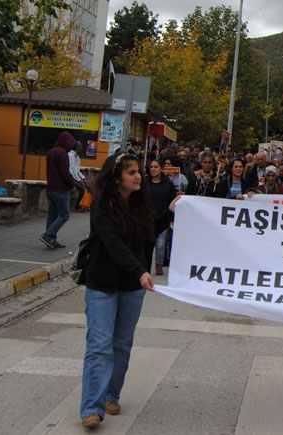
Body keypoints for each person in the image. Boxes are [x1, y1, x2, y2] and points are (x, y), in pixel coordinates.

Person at [80, 153, 159, 429]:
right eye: (131, 172)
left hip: (131, 288)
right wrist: (140, 271)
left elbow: (150, 234)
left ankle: (112, 395)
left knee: (121, 345)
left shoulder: (140, 203)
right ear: (116, 178)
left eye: (139, 171)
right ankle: (91, 407)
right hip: (102, 283)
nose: (138, 176)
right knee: (99, 346)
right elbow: (113, 244)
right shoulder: (101, 205)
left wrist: (172, 211)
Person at [39, 132, 77, 250]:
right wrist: (71, 185)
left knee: (52, 215)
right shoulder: (62, 153)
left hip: (50, 188)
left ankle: (52, 240)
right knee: (64, 215)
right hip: (60, 189)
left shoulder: (51, 152)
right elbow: (65, 172)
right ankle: (48, 235)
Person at [146, 160, 176, 275]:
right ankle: (146, 265)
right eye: (151, 167)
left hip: (162, 218)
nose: (153, 169)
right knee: (148, 244)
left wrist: (170, 217)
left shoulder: (168, 184)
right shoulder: (145, 183)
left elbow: (172, 202)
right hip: (147, 218)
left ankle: (159, 264)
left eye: (156, 167)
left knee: (160, 243)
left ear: (161, 168)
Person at [69, 140, 88, 212]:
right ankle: (77, 206)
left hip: (75, 177)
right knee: (81, 188)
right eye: (80, 146)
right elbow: (72, 171)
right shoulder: (70, 156)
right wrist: (79, 181)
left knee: (88, 187)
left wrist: (83, 178)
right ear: (77, 147)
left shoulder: (77, 157)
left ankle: (85, 204)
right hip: (71, 177)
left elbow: (77, 170)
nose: (81, 148)